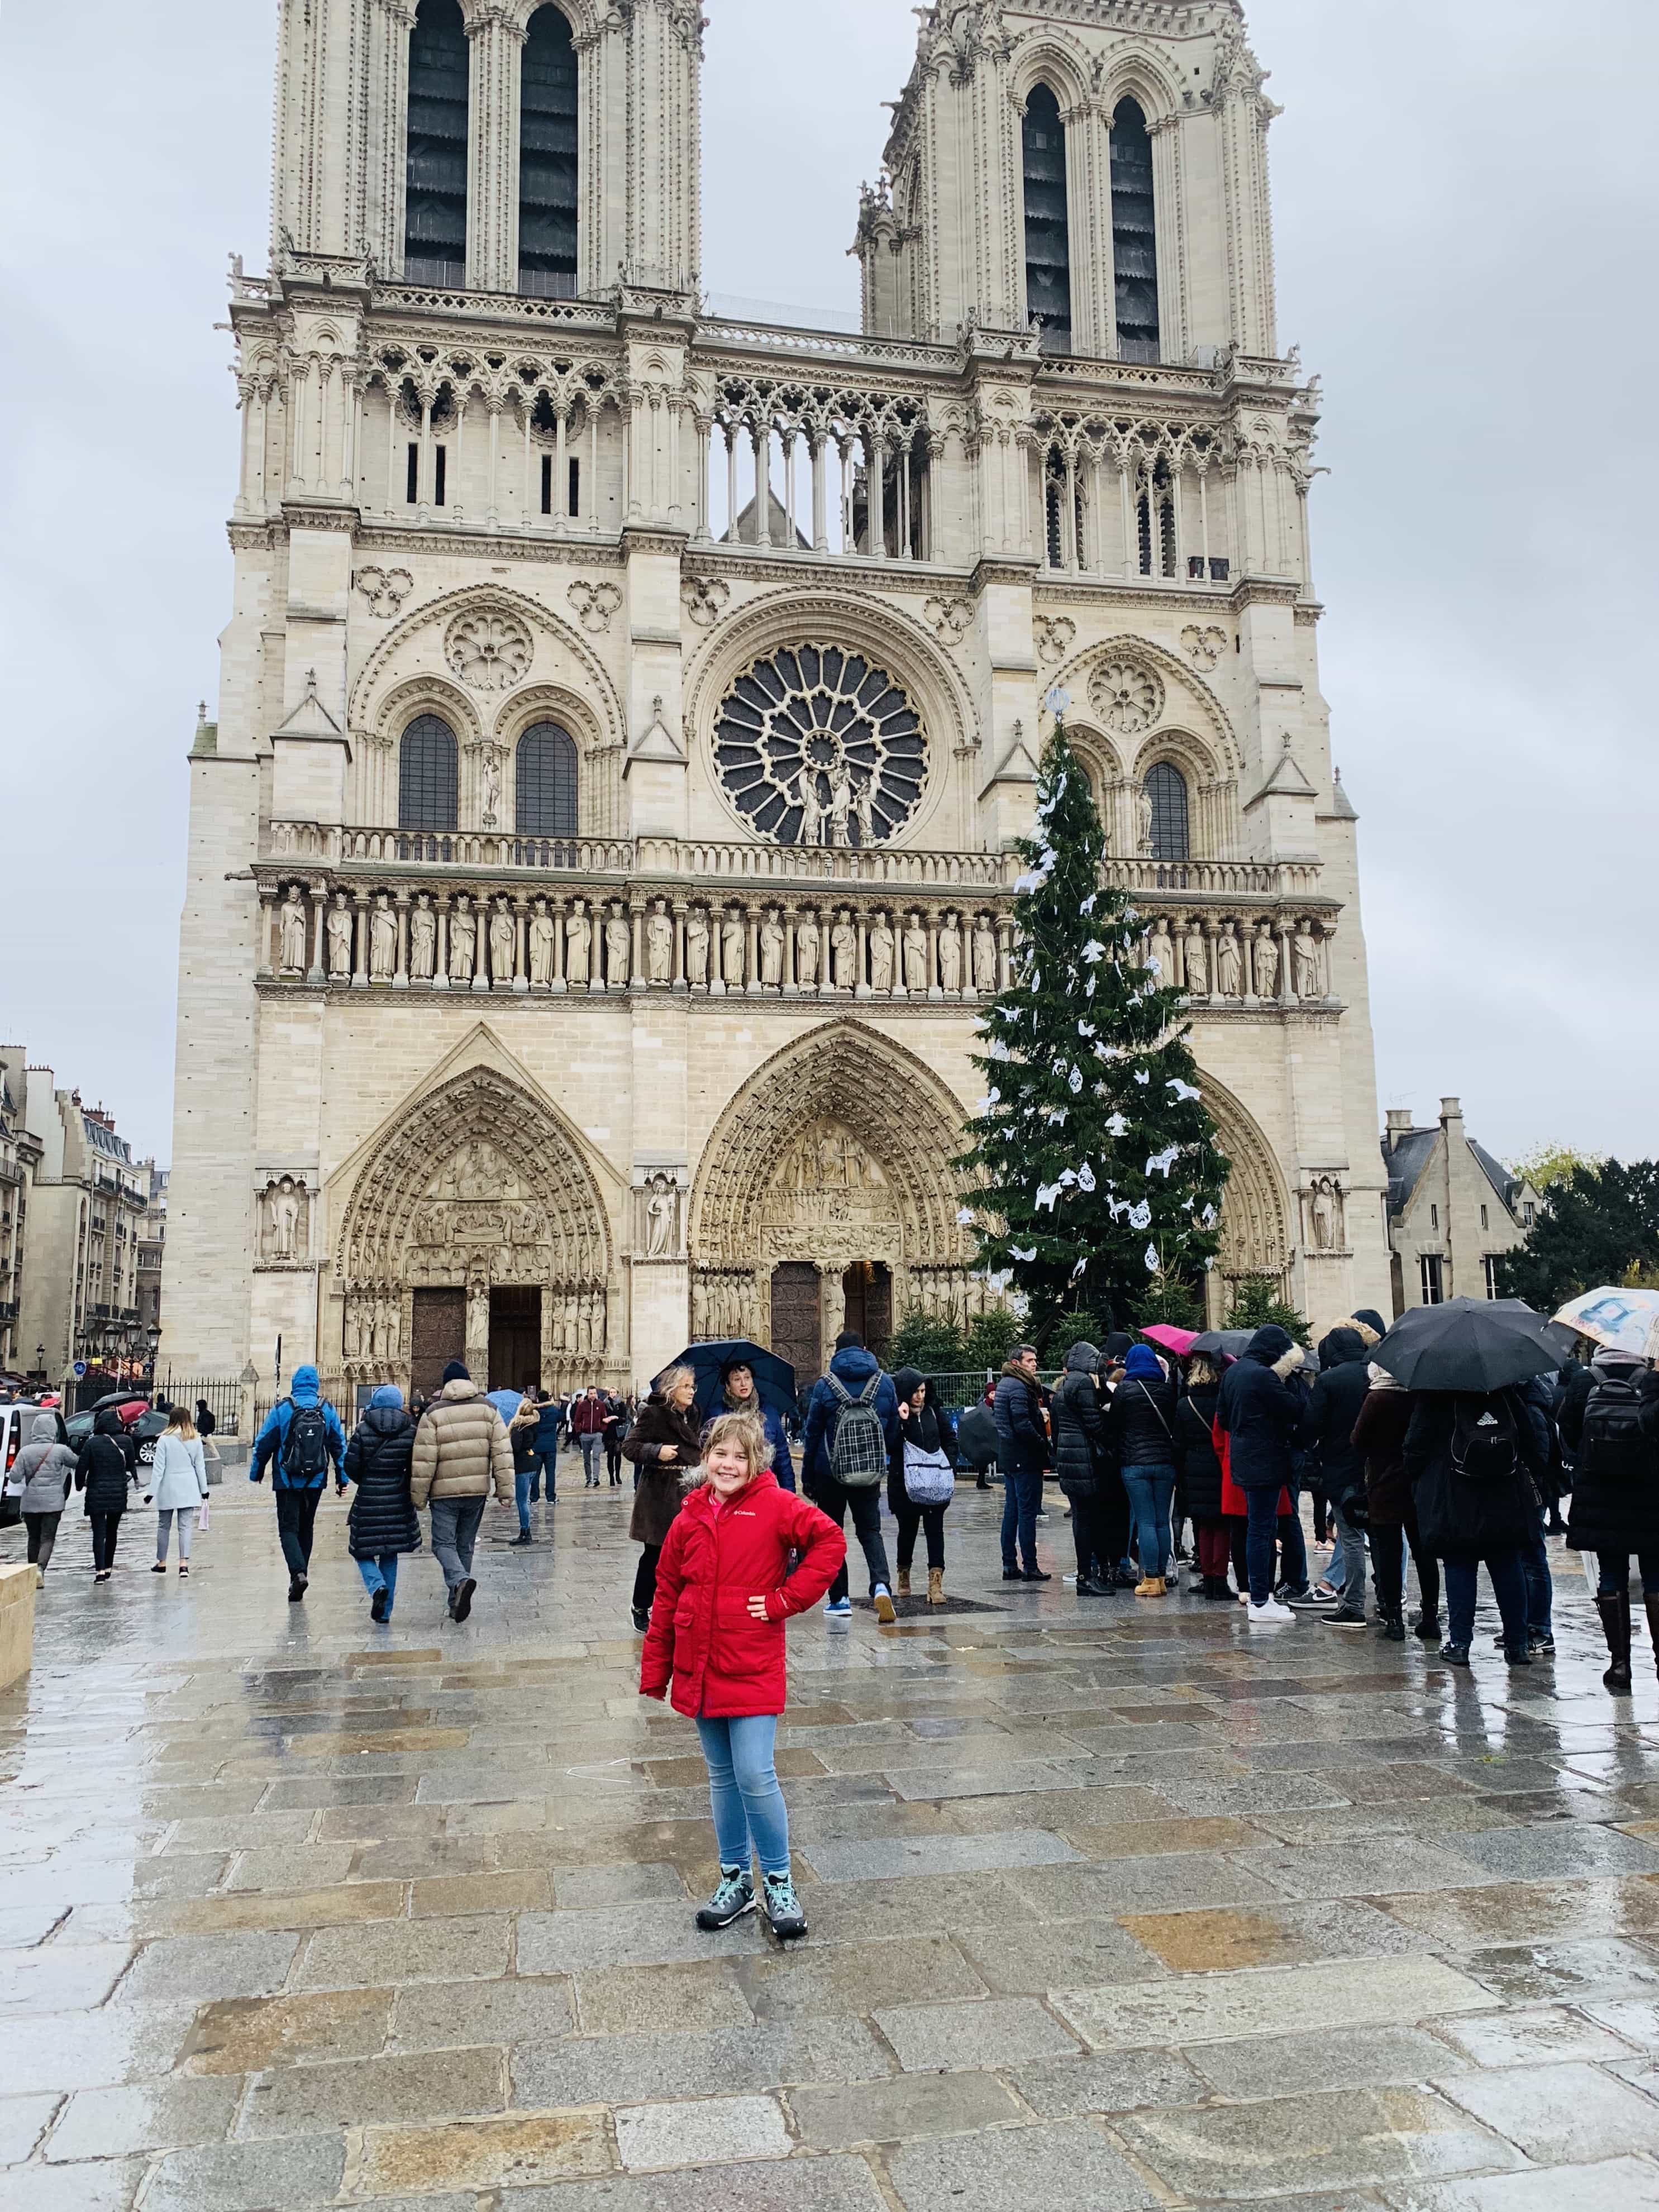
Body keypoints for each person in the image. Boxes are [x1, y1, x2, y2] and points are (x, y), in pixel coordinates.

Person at [640, 1411, 846, 1943]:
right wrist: (656, 1669)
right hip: (700, 1661)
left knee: (756, 1772)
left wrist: (786, 1599)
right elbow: (666, 1594)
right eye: (719, 1453)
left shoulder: (776, 1505)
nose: (728, 1464)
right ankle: (735, 1878)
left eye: (739, 1455)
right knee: (722, 1776)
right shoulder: (687, 1517)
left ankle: (778, 1879)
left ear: (756, 1462)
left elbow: (830, 1542)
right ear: (705, 1457)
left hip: (750, 1660)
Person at [1405, 1382, 1547, 1667]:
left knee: (1459, 1566)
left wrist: (1420, 1482)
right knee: (1508, 1565)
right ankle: (1518, 1645)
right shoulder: (1504, 1391)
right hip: (1504, 1492)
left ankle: (1460, 1644)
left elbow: (1415, 1447)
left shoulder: (1435, 1393)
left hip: (1454, 1494)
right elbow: (1530, 1441)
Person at [1563, 1346, 1659, 1690]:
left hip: (1599, 1493)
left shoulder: (1582, 1381)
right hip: (1651, 1492)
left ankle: (1620, 1666)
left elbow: (1568, 1431)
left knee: (1611, 1572)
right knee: (1656, 1575)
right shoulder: (1651, 1380)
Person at [801, 1331, 899, 1622]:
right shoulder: (884, 1382)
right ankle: (881, 1585)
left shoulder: (825, 1385)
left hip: (829, 1472)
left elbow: (812, 1433)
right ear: (865, 1349)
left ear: (837, 1352)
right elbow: (893, 1430)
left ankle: (840, 1598)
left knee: (831, 1535)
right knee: (870, 1531)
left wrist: (808, 1477)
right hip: (868, 1472)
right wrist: (883, 1459)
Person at [1215, 1326, 1308, 1623]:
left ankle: (1261, 1597)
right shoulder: (1263, 1375)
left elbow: (1224, 1419)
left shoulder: (1234, 1372)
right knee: (1261, 1530)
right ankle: (1259, 1600)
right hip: (1264, 1460)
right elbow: (1294, 1409)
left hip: (1242, 1460)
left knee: (1259, 1529)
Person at [409, 1360, 513, 1623]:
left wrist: (418, 1497)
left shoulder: (433, 1413)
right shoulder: (489, 1410)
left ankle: (460, 1581)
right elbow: (502, 1452)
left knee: (443, 1544)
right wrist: (505, 1491)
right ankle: (456, 1600)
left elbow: (424, 1460)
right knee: (465, 1545)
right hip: (476, 1491)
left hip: (443, 1494)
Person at [1353, 1360, 1434, 1643]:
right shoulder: (1419, 1395)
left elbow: (1358, 1439)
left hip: (1384, 1483)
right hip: (1416, 1482)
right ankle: (1430, 1617)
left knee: (1388, 1552)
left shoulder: (1377, 1398)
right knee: (1423, 1552)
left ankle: (1395, 1620)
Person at [251, 1364, 347, 1602]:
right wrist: (342, 1477)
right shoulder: (327, 1408)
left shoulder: (283, 1409)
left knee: (288, 1528)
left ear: (295, 1384)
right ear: (316, 1384)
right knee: (307, 1527)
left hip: (287, 1479)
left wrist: (257, 1471)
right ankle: (301, 1573)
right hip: (316, 1479)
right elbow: (338, 1445)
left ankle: (298, 1573)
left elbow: (264, 1442)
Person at [1299, 1328, 1374, 1625]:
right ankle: (1392, 1606)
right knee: (1382, 1537)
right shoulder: (1378, 1373)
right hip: (1378, 1470)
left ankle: (1354, 1605)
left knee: (1352, 1538)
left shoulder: (1329, 1380)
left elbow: (1310, 1427)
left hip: (1342, 1470)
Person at [624, 1366, 702, 1633]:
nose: (692, 1391)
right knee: (655, 1554)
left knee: (688, 1553)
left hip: (689, 1490)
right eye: (686, 1386)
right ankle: (640, 1605)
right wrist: (657, 1451)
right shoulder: (654, 1413)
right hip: (659, 1493)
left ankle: (677, 1604)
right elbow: (629, 1447)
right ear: (672, 1389)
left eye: (693, 1386)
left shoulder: (693, 1414)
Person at [343, 1384, 421, 1623]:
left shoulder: (363, 1429)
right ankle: (385, 1612)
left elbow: (351, 1465)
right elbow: (416, 1465)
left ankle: (376, 1586)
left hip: (368, 1499)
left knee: (361, 1549)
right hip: (398, 1499)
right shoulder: (411, 1430)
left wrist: (367, 1481)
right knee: (390, 1554)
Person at [1107, 1344, 1179, 1598]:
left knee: (1146, 1521)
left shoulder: (1125, 1389)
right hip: (1165, 1463)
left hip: (1134, 1464)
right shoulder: (1168, 1390)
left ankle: (1149, 1578)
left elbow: (1114, 1426)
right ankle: (1161, 1576)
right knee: (1162, 1522)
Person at [1049, 1343, 1116, 1598]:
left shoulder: (1066, 1384)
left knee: (1081, 1517)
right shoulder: (1084, 1384)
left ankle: (1086, 1575)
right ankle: (1087, 1577)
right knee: (1088, 1519)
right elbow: (1094, 1423)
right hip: (1085, 1461)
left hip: (1069, 1459)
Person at [888, 1369, 955, 1605]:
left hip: (935, 1484)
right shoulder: (896, 1414)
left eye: (923, 1391)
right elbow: (891, 1446)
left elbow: (949, 1438)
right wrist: (901, 1421)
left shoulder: (934, 1413)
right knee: (908, 1531)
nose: (920, 1396)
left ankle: (935, 1584)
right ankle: (904, 1575)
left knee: (935, 1531)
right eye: (915, 1391)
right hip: (906, 1487)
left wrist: (948, 1467)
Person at [993, 1344, 1051, 1583]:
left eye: (1036, 1360)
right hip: (1024, 1457)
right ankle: (1030, 1565)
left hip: (1010, 1456)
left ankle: (1010, 1564)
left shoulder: (1006, 1384)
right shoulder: (1018, 1387)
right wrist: (1042, 1443)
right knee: (1026, 1513)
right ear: (1017, 1363)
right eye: (1030, 1360)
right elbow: (1022, 1424)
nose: (1035, 1364)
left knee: (1012, 1512)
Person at [1175, 1355, 1232, 1600]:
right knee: (1221, 1526)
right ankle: (1219, 1579)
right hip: (1219, 1466)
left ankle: (1207, 1577)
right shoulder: (1223, 1401)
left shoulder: (1184, 1404)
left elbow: (1178, 1442)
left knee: (1202, 1526)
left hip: (1193, 1468)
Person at [75, 1406, 142, 1583]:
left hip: (96, 1492)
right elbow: (129, 1464)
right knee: (112, 1531)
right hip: (118, 1492)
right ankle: (109, 1566)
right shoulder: (126, 1441)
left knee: (98, 1532)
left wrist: (80, 1485)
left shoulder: (92, 1443)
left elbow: (82, 1468)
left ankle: (100, 1571)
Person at [716, 1358, 795, 1493]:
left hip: (763, 1486)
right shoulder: (717, 1414)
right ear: (728, 1386)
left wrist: (789, 1493)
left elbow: (781, 1456)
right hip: (730, 1487)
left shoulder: (769, 1411)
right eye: (736, 1379)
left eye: (747, 1377)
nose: (743, 1383)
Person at [15, 1412, 76, 1584]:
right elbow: (76, 1462)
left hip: (30, 1503)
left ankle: (31, 1571)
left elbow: (14, 1477)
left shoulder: (25, 1452)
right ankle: (40, 1569)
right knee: (48, 1538)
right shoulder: (60, 1450)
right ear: (53, 1431)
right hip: (53, 1502)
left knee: (33, 1537)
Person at [150, 1404, 209, 1578]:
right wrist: (204, 1490)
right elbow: (200, 1467)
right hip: (188, 1486)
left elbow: (158, 1469)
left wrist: (151, 1492)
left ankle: (162, 1562)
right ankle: (184, 1564)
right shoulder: (195, 1439)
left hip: (168, 1486)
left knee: (163, 1526)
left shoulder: (164, 1439)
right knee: (185, 1527)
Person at [508, 1392, 541, 1545]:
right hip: (533, 1463)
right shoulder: (533, 1424)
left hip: (522, 1465)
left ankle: (525, 1532)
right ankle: (526, 1531)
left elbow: (515, 1447)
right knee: (525, 1500)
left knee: (521, 1501)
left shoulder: (518, 1427)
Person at [570, 1384, 607, 1488]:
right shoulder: (582, 1405)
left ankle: (596, 1479)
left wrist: (602, 1431)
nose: (593, 1395)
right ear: (588, 1394)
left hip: (597, 1434)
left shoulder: (601, 1404)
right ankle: (588, 1479)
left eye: (594, 1393)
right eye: (591, 1393)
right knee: (586, 1459)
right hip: (585, 1434)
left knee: (596, 1457)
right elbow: (577, 1420)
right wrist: (579, 1432)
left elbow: (604, 1418)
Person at [531, 1389, 561, 1503]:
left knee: (535, 1474)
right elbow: (562, 1417)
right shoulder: (554, 1411)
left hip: (536, 1446)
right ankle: (551, 1497)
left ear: (538, 1399)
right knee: (550, 1473)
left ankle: (534, 1498)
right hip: (550, 1446)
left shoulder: (534, 1411)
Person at [603, 1391, 628, 1486]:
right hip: (609, 1433)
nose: (613, 1394)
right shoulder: (605, 1404)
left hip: (619, 1433)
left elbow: (624, 1418)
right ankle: (611, 1477)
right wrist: (608, 1419)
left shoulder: (621, 1404)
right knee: (610, 1456)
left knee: (618, 1454)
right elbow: (603, 1417)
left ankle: (618, 1475)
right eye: (611, 1392)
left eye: (614, 1392)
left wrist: (616, 1417)